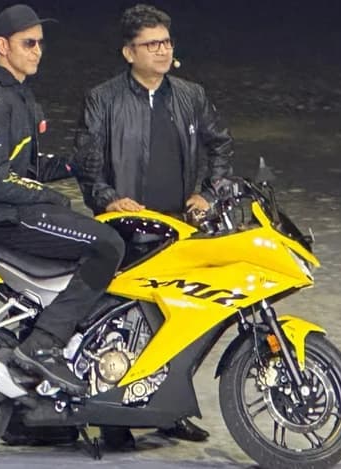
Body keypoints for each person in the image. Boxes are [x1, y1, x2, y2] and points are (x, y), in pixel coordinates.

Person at [0, 4, 125, 397]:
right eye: (28, 43)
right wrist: (53, 197)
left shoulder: (12, 93)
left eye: (40, 43)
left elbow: (22, 168)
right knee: (108, 245)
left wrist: (72, 165)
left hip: (3, 207)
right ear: (2, 46)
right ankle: (43, 342)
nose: (38, 51)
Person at [74, 4, 236, 447]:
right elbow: (87, 166)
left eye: (166, 42)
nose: (163, 51)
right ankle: (113, 419)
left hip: (178, 232)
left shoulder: (190, 95)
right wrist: (109, 200)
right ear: (129, 53)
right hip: (125, 231)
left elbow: (221, 146)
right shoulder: (103, 99)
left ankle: (170, 410)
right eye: (151, 44)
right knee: (121, 324)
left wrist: (209, 194)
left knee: (179, 324)